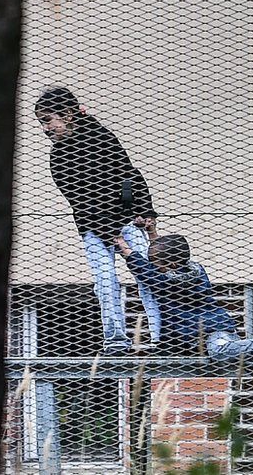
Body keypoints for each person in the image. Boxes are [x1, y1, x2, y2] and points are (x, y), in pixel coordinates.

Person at [115, 233, 253, 395]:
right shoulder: (190, 266)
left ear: (170, 265)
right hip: (193, 341)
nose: (152, 266)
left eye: (156, 263)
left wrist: (126, 249)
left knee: (219, 351)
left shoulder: (174, 280)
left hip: (212, 331)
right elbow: (165, 253)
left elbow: (150, 274)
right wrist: (153, 234)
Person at [35, 87, 161, 353]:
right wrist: (109, 234)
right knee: (106, 281)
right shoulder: (58, 159)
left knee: (148, 276)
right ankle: (115, 341)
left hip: (127, 220)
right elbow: (80, 200)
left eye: (47, 119)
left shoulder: (103, 137)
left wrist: (145, 210)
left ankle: (161, 338)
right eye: (41, 122)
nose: (45, 128)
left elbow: (130, 175)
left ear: (68, 114)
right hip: (93, 227)